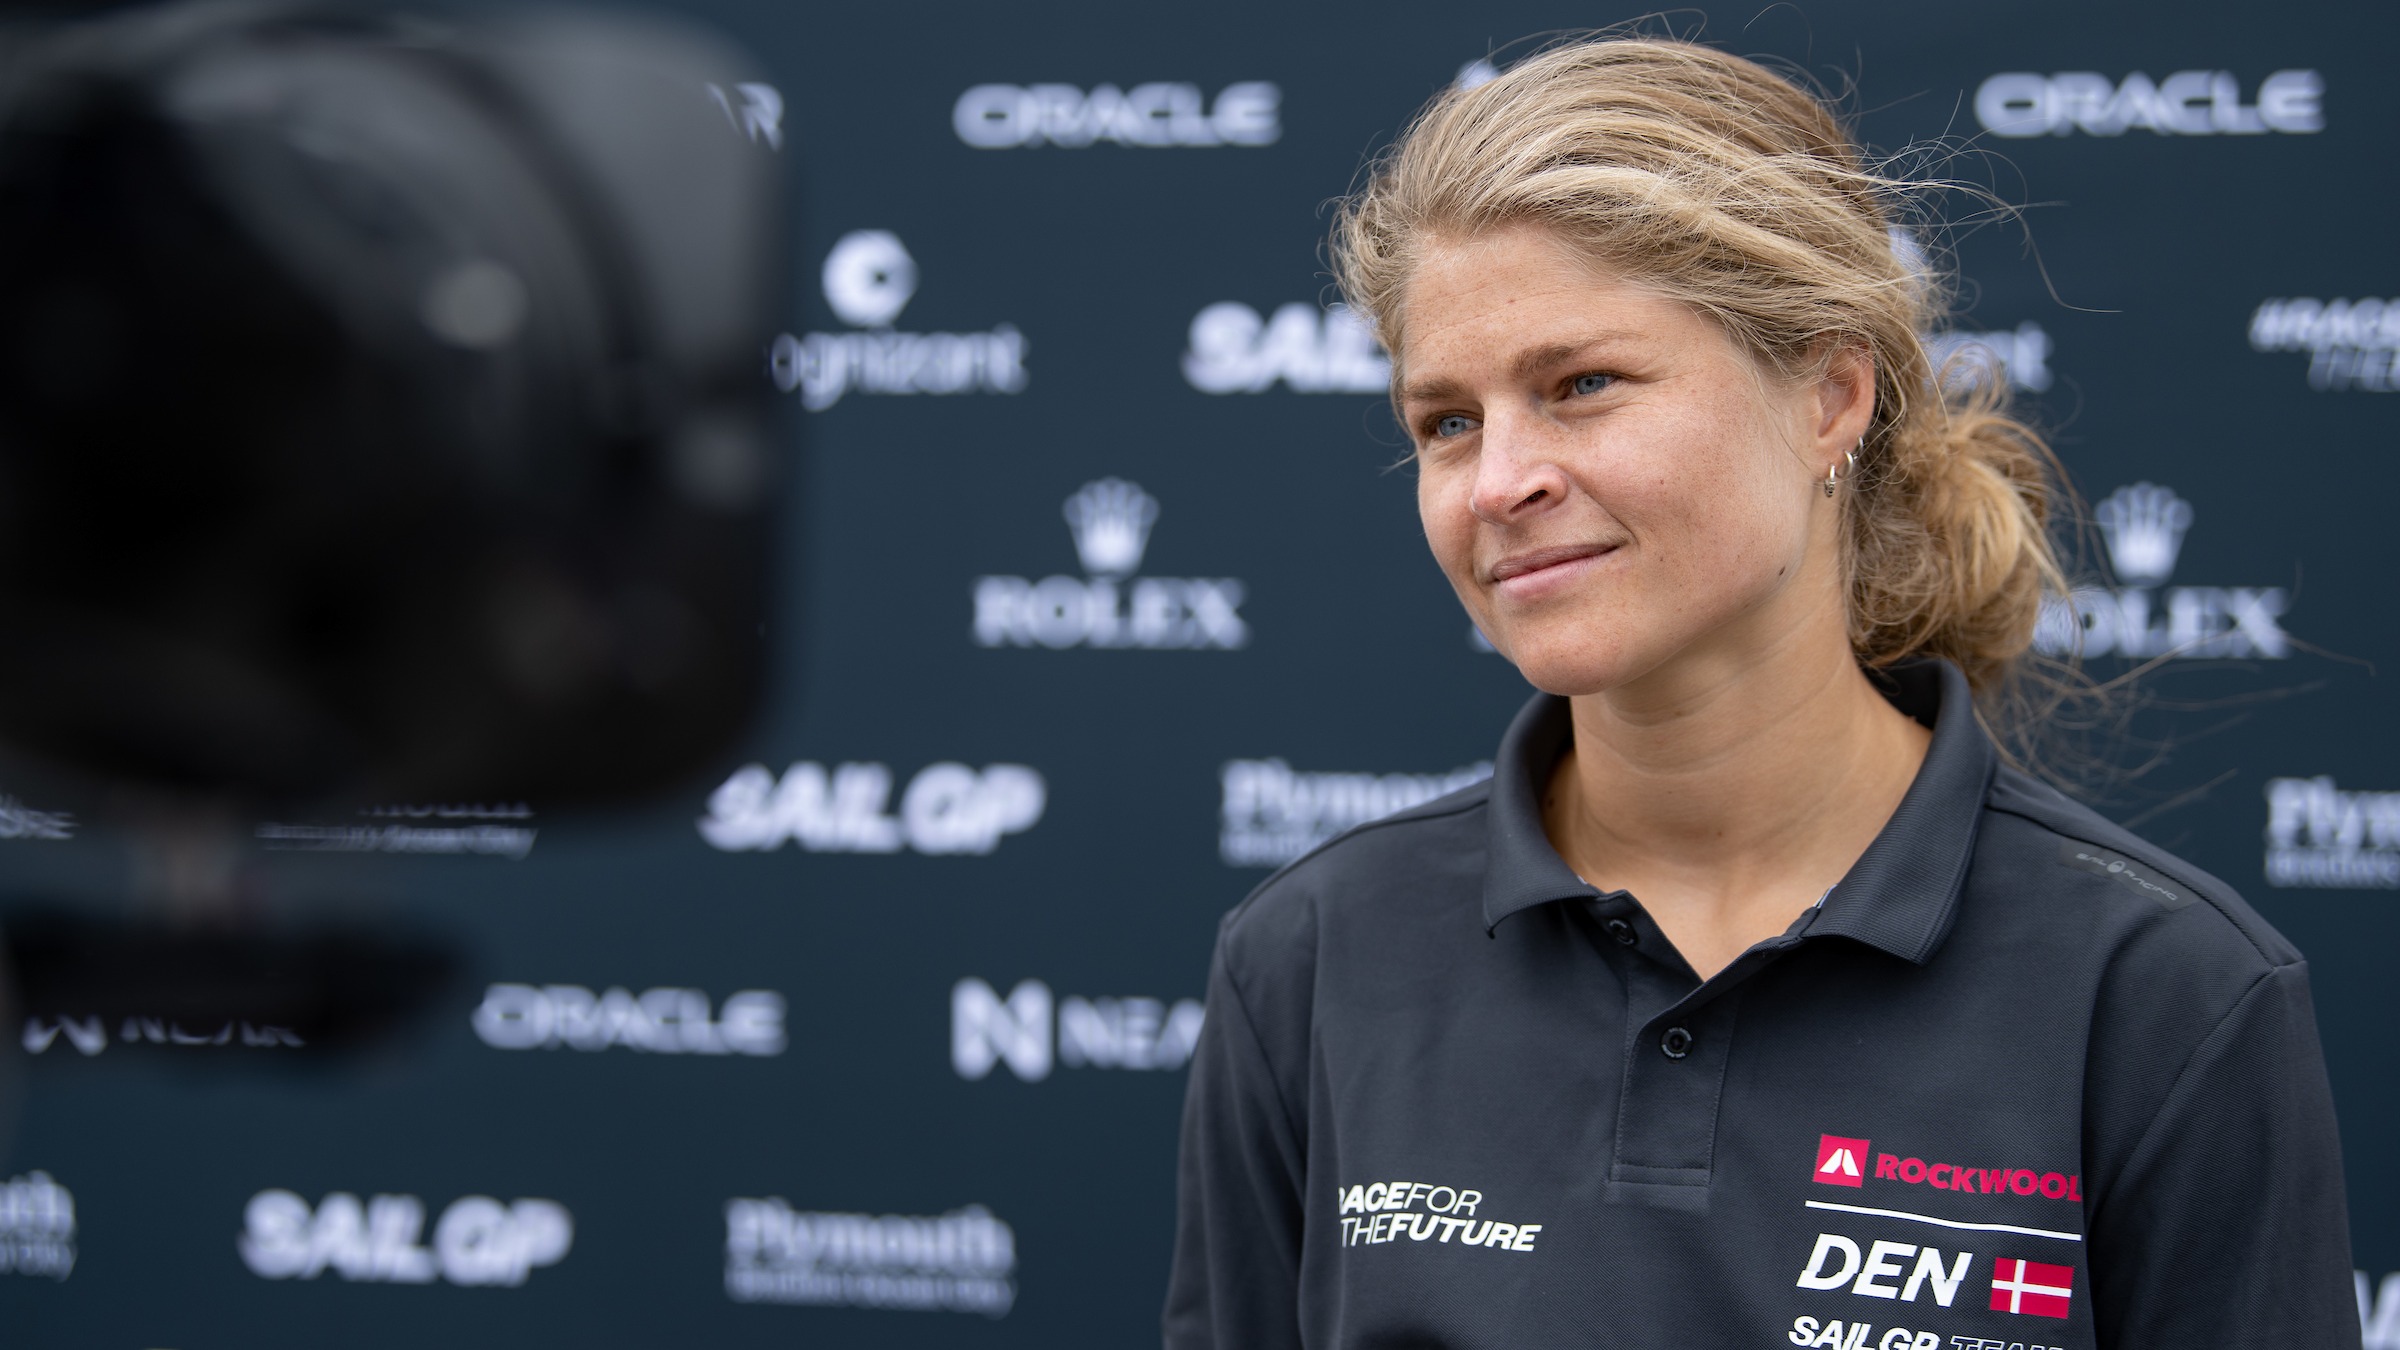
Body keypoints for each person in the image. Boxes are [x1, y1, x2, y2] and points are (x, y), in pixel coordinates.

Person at [1163, 36, 2355, 1350]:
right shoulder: (1312, 958)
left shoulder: (2167, 994)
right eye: (1447, 421)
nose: (1501, 480)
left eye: (1582, 386)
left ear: (1830, 393)